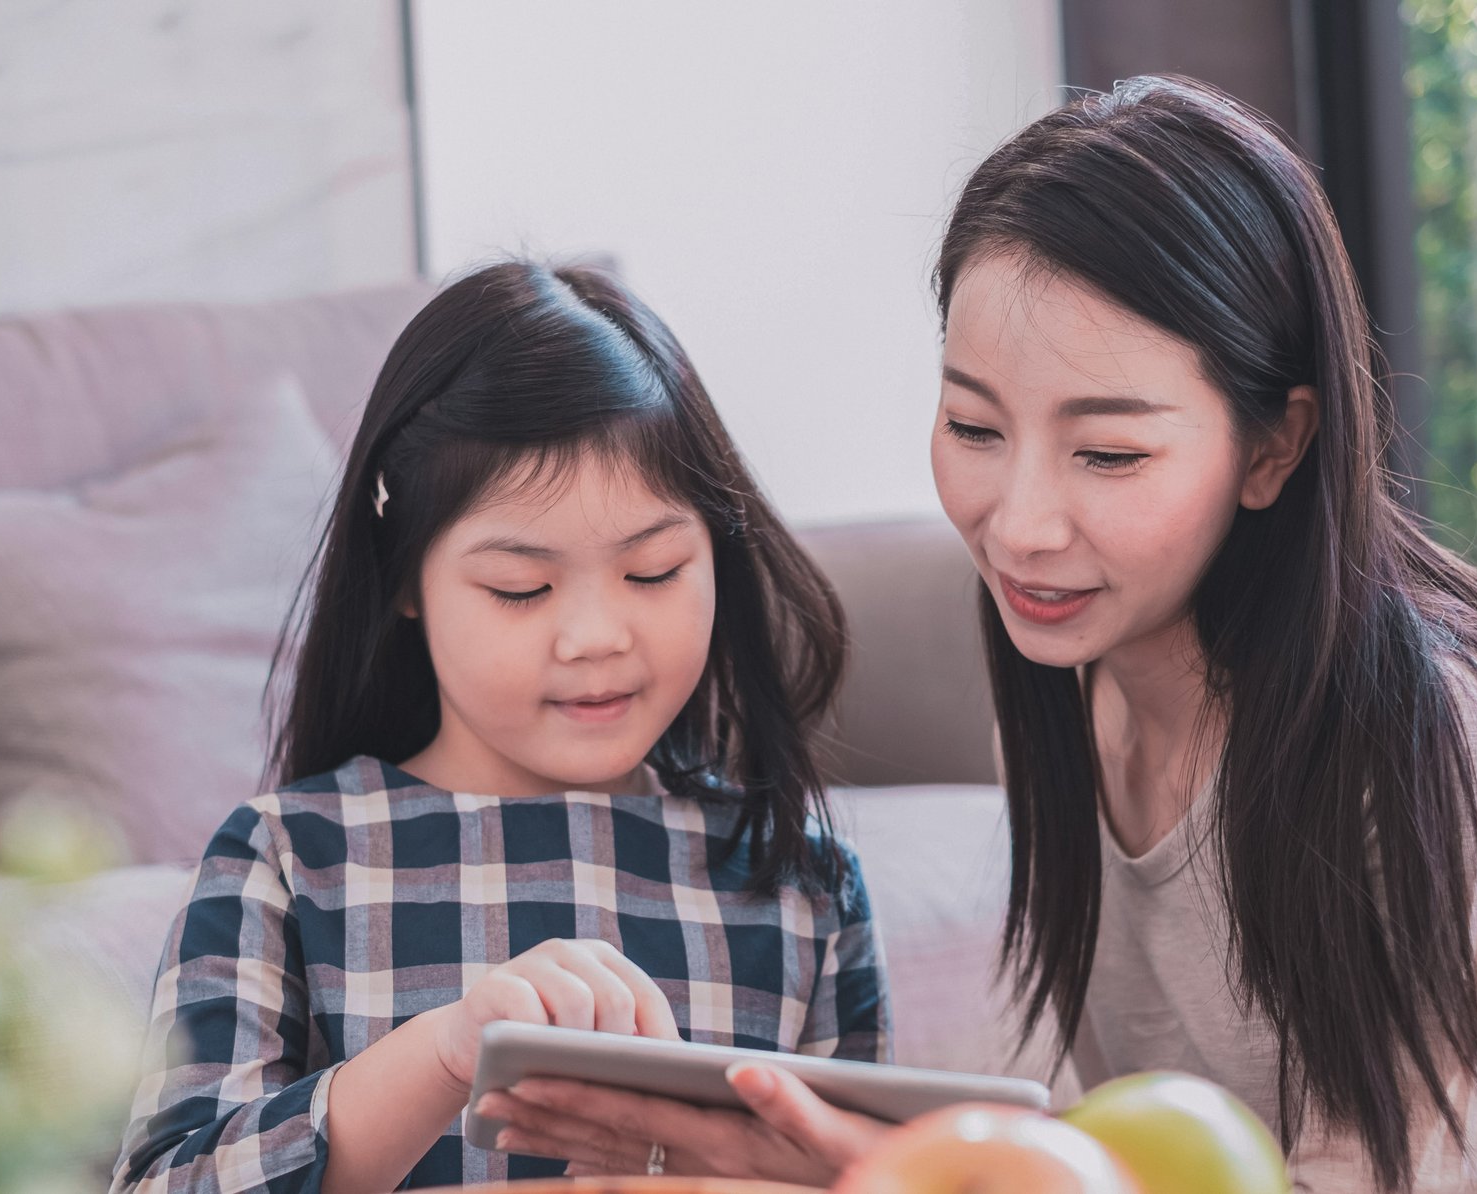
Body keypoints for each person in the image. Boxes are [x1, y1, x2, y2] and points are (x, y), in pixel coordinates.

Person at [479, 76, 1477, 1191]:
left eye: (1110, 453)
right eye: (974, 426)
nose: (1020, 527)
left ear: (1275, 446)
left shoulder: (1435, 736)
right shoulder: (1077, 692)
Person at [108, 260, 890, 1192]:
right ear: (405, 580)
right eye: (521, 588)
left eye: (653, 573)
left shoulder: (799, 881)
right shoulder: (291, 857)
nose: (598, 638)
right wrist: (441, 1054)